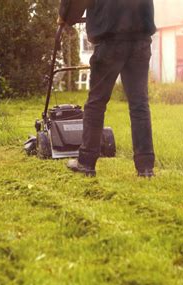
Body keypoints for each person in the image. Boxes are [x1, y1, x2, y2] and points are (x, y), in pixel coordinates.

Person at [59, 0, 157, 178]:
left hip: (110, 40)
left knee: (96, 102)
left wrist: (66, 17)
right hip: (140, 39)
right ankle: (145, 167)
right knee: (139, 104)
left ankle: (86, 162)